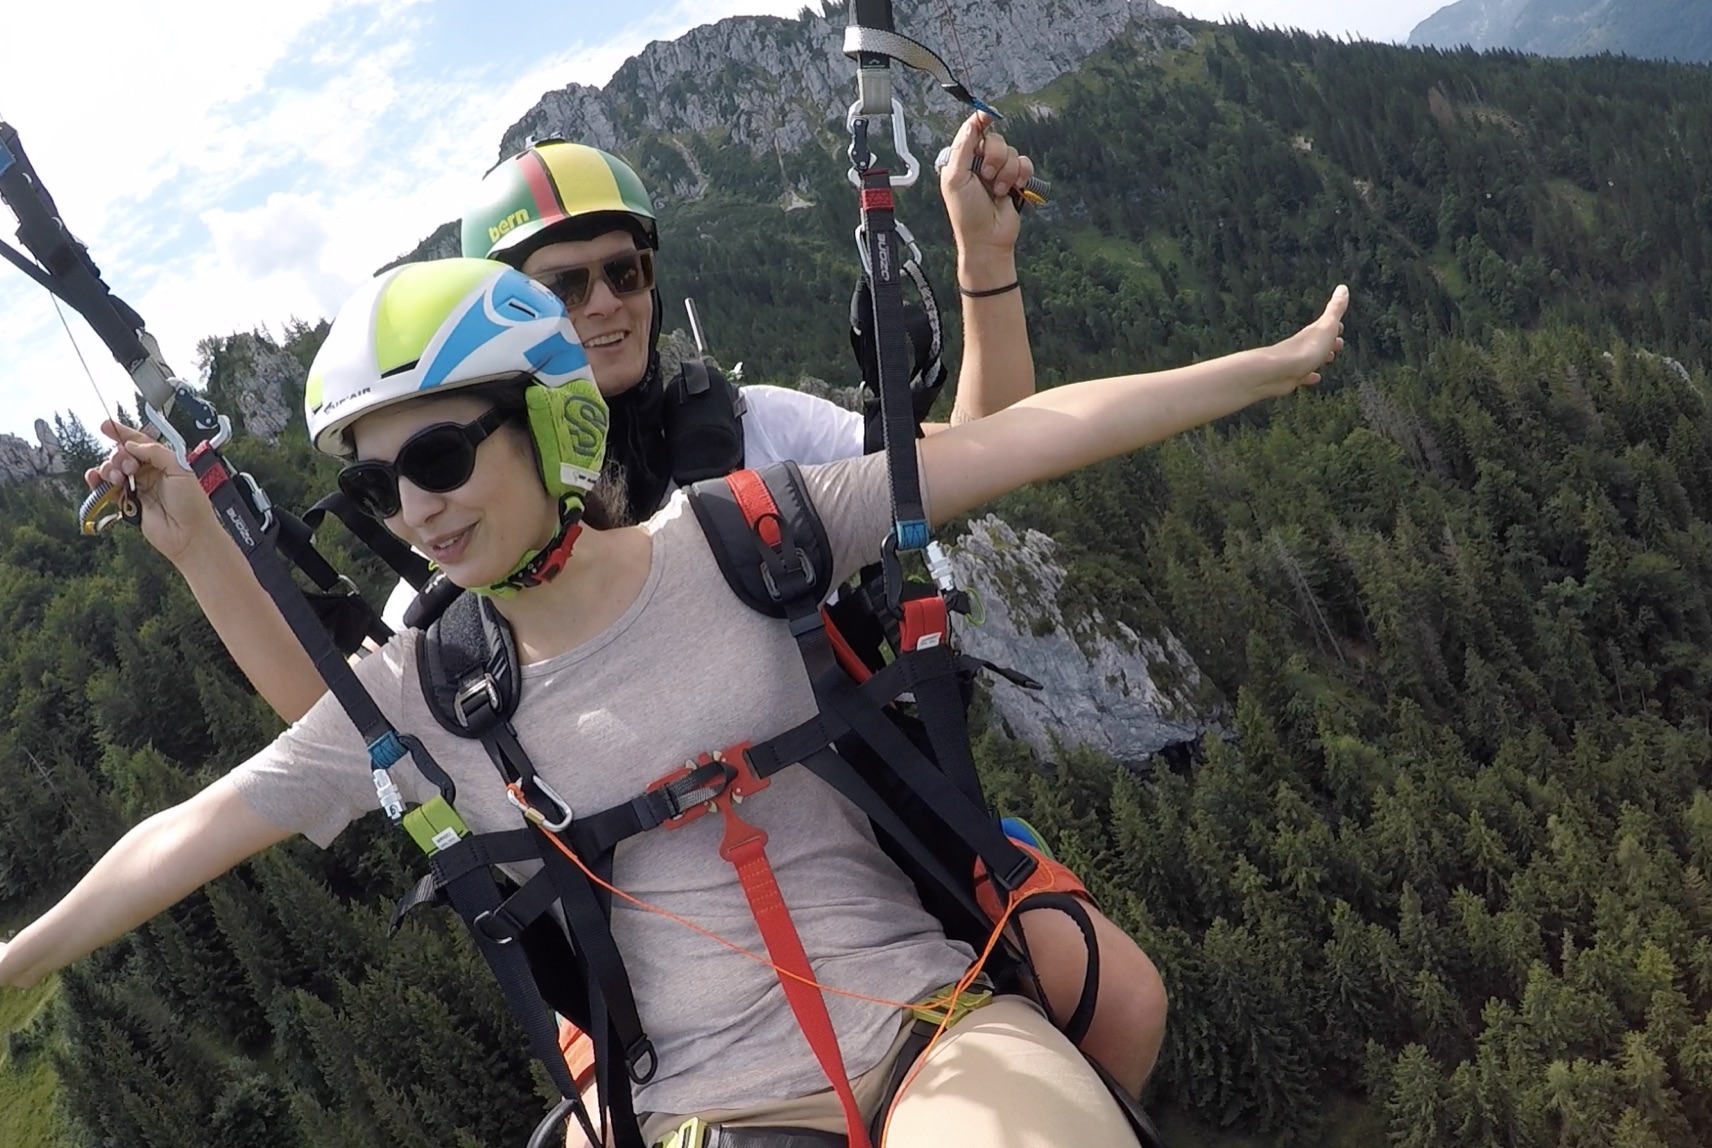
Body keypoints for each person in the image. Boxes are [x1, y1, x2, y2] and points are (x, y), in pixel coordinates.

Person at [0, 256, 1348, 1148]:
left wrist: (1270, 365)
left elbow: (1021, 441)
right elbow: (194, 828)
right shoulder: (429, 692)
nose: (414, 508)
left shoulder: (753, 536)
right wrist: (24, 955)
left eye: (437, 453)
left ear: (550, 417)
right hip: (693, 1111)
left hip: (933, 1032)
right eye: (376, 485)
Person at [88, 117, 1174, 1097]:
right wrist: (200, 551)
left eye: (625, 269)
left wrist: (984, 267)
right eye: (564, 285)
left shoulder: (753, 431)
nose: (605, 301)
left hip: (869, 823)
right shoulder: (458, 522)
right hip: (647, 932)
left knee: (1118, 1002)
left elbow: (964, 466)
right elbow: (354, 722)